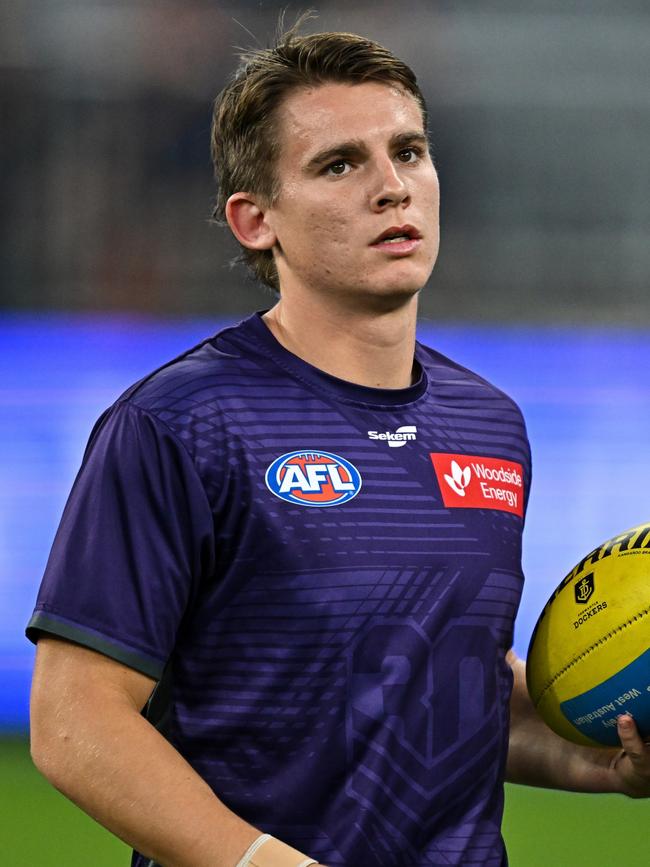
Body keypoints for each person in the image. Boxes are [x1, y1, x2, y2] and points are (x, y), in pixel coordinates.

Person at [27, 22, 650, 867]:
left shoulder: (491, 425)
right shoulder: (178, 423)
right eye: (340, 164)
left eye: (410, 151)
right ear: (256, 220)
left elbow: (444, 699)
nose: (393, 187)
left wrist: (606, 762)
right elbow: (75, 723)